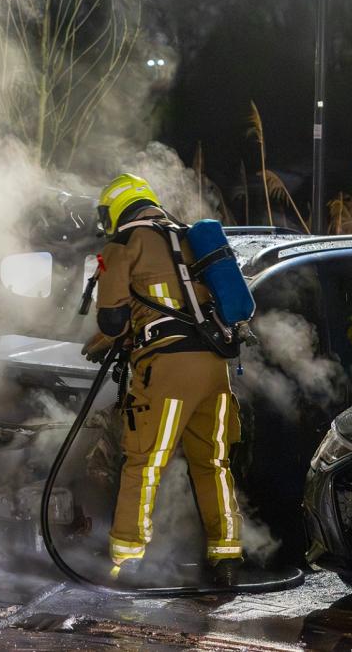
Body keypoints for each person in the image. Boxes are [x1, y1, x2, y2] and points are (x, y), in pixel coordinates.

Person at [81, 173, 244, 585]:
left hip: (168, 370)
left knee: (145, 463)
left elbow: (113, 318)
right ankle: (226, 558)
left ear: (115, 210)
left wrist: (107, 336)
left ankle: (126, 559)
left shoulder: (122, 245)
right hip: (215, 369)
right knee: (214, 463)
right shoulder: (188, 237)